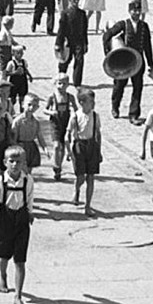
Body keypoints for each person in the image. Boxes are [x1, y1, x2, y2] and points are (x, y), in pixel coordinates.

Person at [0, 145, 35, 304]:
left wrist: (30, 212)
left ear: (23, 163)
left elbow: (30, 197)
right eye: (11, 161)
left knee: (20, 260)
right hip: (5, 219)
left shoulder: (28, 180)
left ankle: (18, 295)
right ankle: (3, 276)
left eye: (18, 162)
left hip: (21, 221)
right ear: (5, 162)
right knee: (4, 255)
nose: (15, 165)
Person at [103, 0, 153, 125]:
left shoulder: (144, 26)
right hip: (123, 62)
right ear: (129, 11)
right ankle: (115, 106)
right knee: (119, 86)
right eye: (134, 10)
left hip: (138, 62)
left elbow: (147, 46)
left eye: (138, 10)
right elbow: (107, 35)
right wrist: (108, 53)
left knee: (138, 88)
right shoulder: (123, 24)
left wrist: (151, 64)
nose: (136, 13)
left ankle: (134, 114)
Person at [66, 88, 102, 216]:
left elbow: (98, 133)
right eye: (90, 101)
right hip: (79, 147)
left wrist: (99, 151)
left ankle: (88, 205)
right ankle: (76, 190)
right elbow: (68, 134)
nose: (93, 104)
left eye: (93, 101)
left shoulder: (95, 116)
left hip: (92, 147)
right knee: (81, 177)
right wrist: (69, 152)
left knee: (91, 177)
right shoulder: (75, 116)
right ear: (81, 102)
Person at [45, 72, 78, 181]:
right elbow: (45, 109)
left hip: (66, 122)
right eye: (59, 83)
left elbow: (76, 109)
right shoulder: (52, 97)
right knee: (56, 146)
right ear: (55, 83)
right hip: (55, 122)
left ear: (68, 84)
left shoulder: (70, 97)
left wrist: (75, 118)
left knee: (63, 145)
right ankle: (56, 165)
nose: (61, 86)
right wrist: (51, 112)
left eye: (64, 84)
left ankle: (59, 167)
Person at [55, 0, 89, 88]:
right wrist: (58, 43)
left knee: (79, 61)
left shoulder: (82, 14)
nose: (76, 2)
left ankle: (77, 83)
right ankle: (61, 77)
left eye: (77, 0)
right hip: (67, 42)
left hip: (79, 41)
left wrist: (85, 43)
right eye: (74, 0)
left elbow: (84, 30)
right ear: (69, 0)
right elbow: (61, 30)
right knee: (65, 60)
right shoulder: (65, 13)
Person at [12, 95, 47, 173]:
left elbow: (40, 137)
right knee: (21, 169)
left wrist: (45, 149)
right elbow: (13, 137)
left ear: (37, 107)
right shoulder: (18, 121)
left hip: (31, 147)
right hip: (20, 146)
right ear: (23, 104)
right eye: (29, 105)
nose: (31, 108)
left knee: (28, 170)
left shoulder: (36, 122)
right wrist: (15, 150)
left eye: (34, 106)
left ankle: (27, 183)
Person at [5, 43, 33, 110]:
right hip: (14, 82)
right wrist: (14, 73)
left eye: (21, 53)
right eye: (18, 53)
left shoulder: (24, 62)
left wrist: (29, 76)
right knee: (13, 98)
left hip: (23, 81)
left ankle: (22, 109)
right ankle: (11, 109)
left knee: (22, 97)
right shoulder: (11, 63)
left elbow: (25, 69)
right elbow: (7, 73)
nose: (20, 55)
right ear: (13, 54)